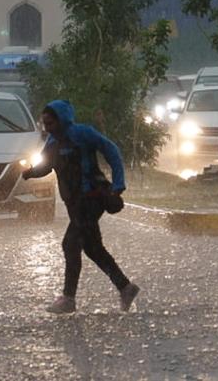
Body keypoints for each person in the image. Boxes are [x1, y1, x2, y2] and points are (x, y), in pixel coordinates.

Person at [22, 100, 140, 314]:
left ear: (62, 119)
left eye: (51, 123)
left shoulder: (83, 134)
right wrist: (30, 173)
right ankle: (125, 287)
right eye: (45, 124)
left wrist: (118, 184)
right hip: (74, 202)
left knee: (70, 244)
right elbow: (46, 166)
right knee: (93, 248)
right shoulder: (52, 142)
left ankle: (68, 298)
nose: (47, 128)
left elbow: (111, 151)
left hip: (92, 197)